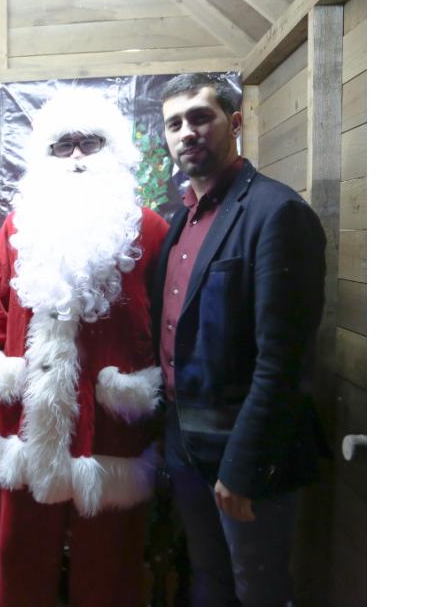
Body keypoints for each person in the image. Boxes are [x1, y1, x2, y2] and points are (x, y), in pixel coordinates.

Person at [0, 87, 169, 607]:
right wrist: (2, 374)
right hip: (32, 415)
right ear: (45, 156)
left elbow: (169, 317)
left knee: (110, 560)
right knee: (21, 553)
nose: (77, 156)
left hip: (111, 420)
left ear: (114, 152)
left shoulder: (148, 228)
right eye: (63, 146)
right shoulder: (18, 227)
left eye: (90, 143)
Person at [152, 73, 327, 606]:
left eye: (200, 117)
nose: (187, 132)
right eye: (174, 123)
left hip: (246, 448)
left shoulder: (276, 213)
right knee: (208, 575)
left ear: (234, 122)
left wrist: (244, 466)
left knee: (259, 588)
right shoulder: (180, 221)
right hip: (185, 437)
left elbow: (284, 359)